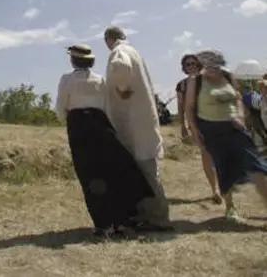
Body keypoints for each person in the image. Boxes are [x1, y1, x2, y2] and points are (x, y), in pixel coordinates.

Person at [56, 44, 155, 240]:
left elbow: (61, 105)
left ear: (72, 60)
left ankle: (103, 224)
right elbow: (107, 105)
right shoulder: (100, 80)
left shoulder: (67, 79)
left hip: (79, 125)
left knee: (88, 173)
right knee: (110, 171)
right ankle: (120, 219)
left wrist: (65, 119)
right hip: (101, 124)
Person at [103, 26, 172, 232]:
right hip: (140, 122)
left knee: (147, 172)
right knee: (143, 172)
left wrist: (121, 89)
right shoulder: (134, 51)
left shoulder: (119, 51)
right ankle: (146, 215)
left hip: (133, 124)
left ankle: (159, 219)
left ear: (108, 39)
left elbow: (120, 67)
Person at [185, 49, 267, 221]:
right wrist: (194, 130)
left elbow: (237, 97)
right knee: (224, 168)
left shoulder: (228, 76)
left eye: (217, 65)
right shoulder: (196, 81)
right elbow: (190, 107)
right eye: (209, 66)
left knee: (256, 165)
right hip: (210, 129)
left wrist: (239, 115)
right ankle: (230, 208)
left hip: (234, 127)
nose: (213, 70)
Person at [176, 54, 222, 204]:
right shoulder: (182, 85)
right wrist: (183, 126)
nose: (192, 66)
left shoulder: (207, 81)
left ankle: (223, 185)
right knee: (206, 153)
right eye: (188, 64)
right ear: (184, 68)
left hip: (214, 119)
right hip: (196, 123)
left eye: (194, 64)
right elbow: (181, 107)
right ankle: (215, 189)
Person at [239, 80, 267, 145]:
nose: (261, 89)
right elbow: (256, 105)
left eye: (262, 88)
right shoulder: (260, 98)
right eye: (260, 88)